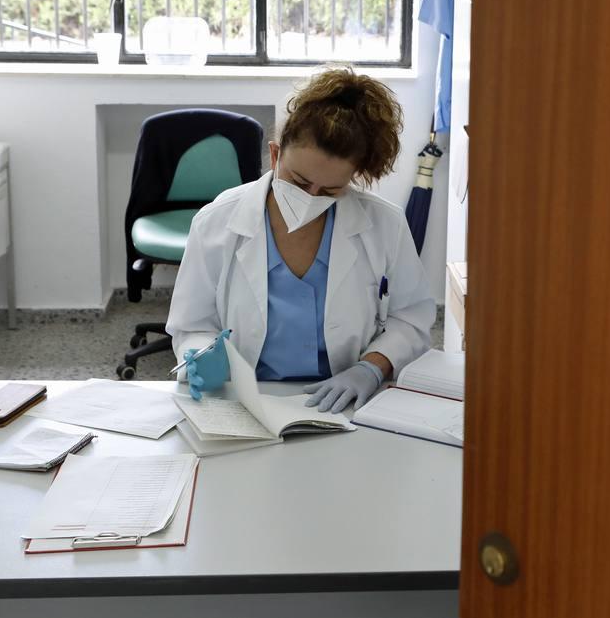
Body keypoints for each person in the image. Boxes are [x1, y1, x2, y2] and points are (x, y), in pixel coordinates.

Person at [165, 68, 435, 413]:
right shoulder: (217, 222)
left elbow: (410, 318)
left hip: (342, 401)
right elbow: (192, 324)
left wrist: (370, 368)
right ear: (276, 155)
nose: (311, 196)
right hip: (246, 400)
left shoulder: (384, 224)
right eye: (298, 180)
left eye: (331, 190)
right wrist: (202, 356)